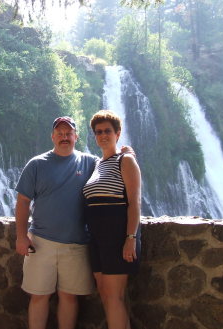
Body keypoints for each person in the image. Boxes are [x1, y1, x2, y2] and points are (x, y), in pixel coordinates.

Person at [15, 116, 133, 329]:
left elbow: (112, 164)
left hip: (76, 244)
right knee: (39, 297)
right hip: (41, 243)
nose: (64, 137)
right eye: (59, 133)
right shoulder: (36, 164)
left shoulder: (91, 163)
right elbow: (23, 202)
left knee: (69, 297)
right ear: (52, 136)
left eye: (68, 133)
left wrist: (127, 154)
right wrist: (21, 236)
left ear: (76, 137)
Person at [82, 110, 141, 329]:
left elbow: (135, 202)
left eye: (108, 131)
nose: (103, 135)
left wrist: (131, 237)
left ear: (118, 133)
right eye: (98, 132)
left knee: (115, 296)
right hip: (96, 237)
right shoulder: (97, 164)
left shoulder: (125, 160)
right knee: (106, 294)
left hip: (117, 236)